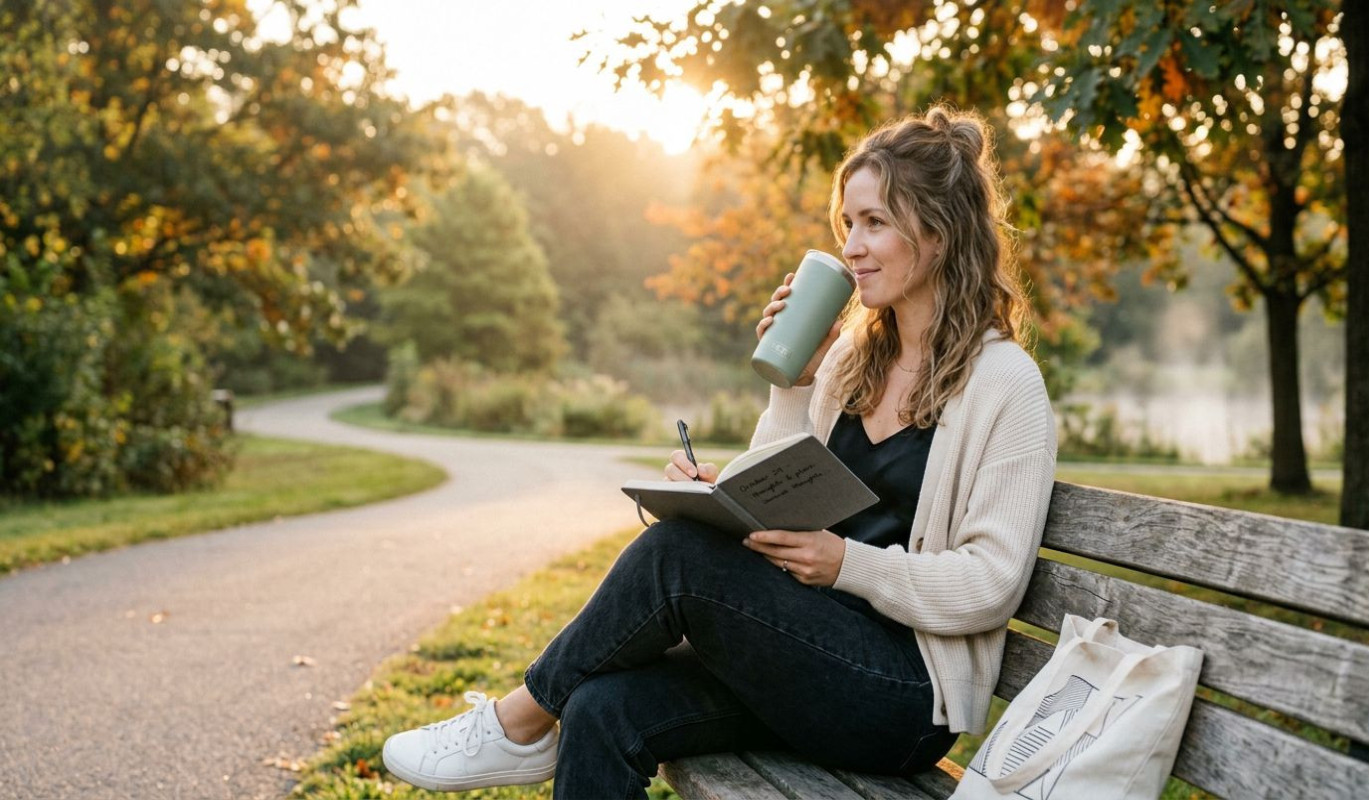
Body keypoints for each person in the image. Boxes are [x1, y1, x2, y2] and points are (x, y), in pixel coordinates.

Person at [380, 105, 1058, 798]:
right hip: (794, 653)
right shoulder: (851, 358)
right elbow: (780, 487)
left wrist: (846, 563)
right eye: (849, 223)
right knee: (600, 710)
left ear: (940, 234)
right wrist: (778, 408)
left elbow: (990, 583)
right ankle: (536, 717)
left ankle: (517, 720)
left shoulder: (1004, 384)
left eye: (875, 222)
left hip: (900, 696)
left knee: (676, 556)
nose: (852, 245)